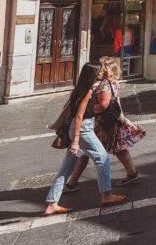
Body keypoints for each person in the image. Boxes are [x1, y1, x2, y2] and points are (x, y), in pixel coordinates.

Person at [43, 63, 125, 215]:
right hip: (82, 129)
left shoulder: (79, 89)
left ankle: (52, 203)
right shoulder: (87, 91)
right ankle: (106, 195)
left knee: (67, 168)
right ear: (92, 74)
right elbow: (79, 116)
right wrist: (76, 141)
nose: (101, 73)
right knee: (103, 158)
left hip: (76, 128)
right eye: (99, 71)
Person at [64, 57, 145, 191]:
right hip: (113, 120)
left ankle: (73, 183)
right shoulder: (113, 82)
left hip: (102, 123)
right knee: (118, 148)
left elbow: (103, 106)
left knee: (85, 151)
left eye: (101, 68)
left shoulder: (105, 85)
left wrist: (86, 108)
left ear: (106, 70)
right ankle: (132, 173)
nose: (99, 71)